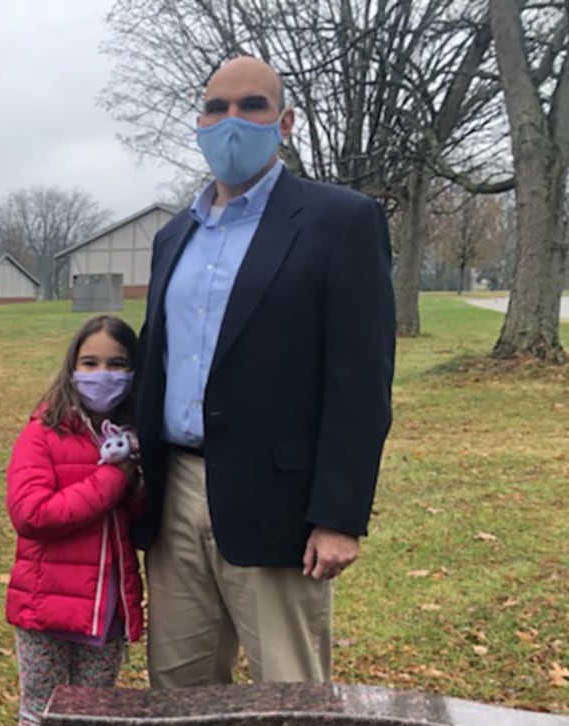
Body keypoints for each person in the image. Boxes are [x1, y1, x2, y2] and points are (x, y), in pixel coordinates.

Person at [133, 56, 394, 688]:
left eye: (251, 106)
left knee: (290, 697)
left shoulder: (339, 222)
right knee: (179, 690)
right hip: (176, 495)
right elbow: (155, 361)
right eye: (216, 108)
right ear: (198, 122)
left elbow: (360, 380)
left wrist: (339, 513)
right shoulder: (174, 236)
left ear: (284, 122)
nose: (232, 121)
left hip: (279, 504)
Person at [4, 315, 146, 726]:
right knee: (41, 714)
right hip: (47, 606)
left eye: (116, 364)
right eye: (89, 363)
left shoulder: (135, 436)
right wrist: (113, 481)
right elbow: (31, 514)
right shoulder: (43, 431)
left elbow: (138, 522)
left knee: (91, 715)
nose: (101, 375)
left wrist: (138, 481)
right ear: (71, 366)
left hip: (105, 608)